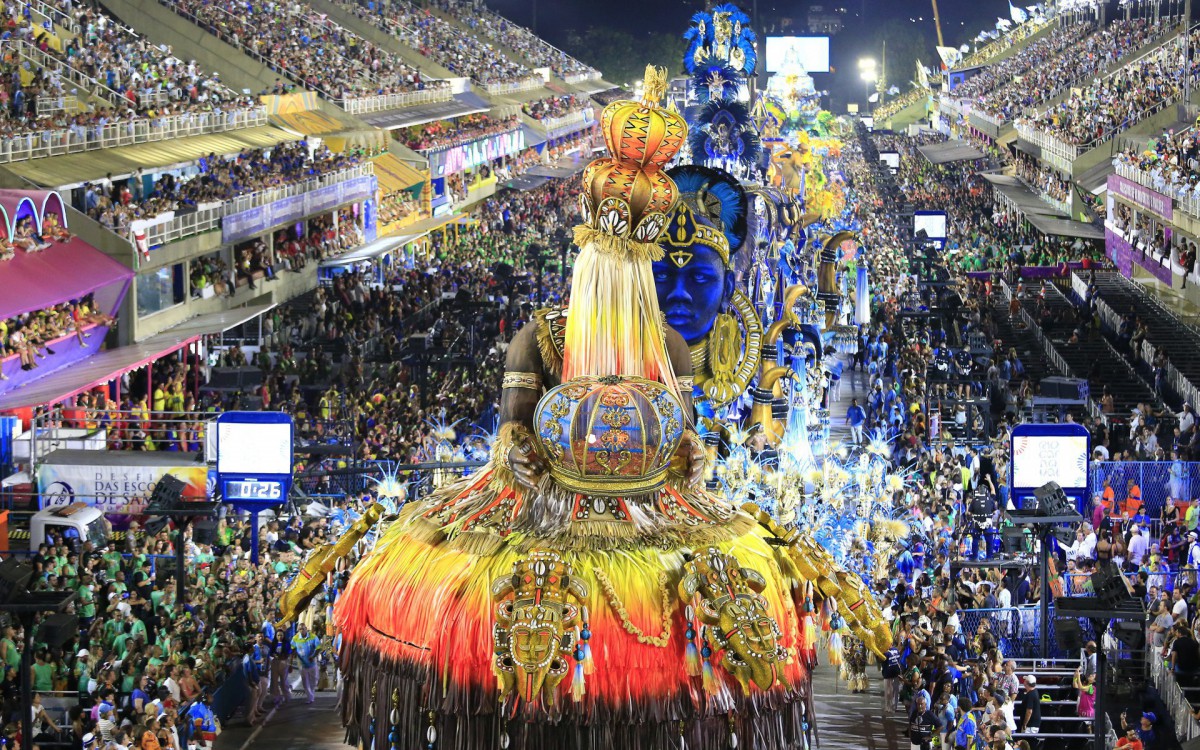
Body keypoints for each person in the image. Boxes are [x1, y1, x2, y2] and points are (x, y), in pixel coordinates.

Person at [291, 621, 321, 705]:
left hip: (312, 663)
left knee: (314, 680)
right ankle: (309, 697)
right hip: (302, 664)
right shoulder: (295, 638)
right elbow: (292, 647)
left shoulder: (313, 637)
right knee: (305, 682)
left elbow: (318, 648)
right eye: (300, 629)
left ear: (306, 629)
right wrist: (294, 654)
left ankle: (311, 693)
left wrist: (313, 656)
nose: (302, 631)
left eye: (303, 629)